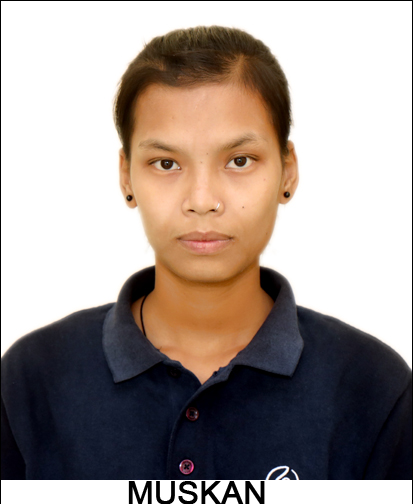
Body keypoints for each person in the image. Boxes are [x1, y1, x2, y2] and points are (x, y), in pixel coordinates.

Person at [1, 26, 411, 480]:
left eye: (239, 160)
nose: (202, 200)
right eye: (166, 163)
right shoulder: (30, 379)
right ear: (126, 176)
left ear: (287, 171)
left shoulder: (374, 387)